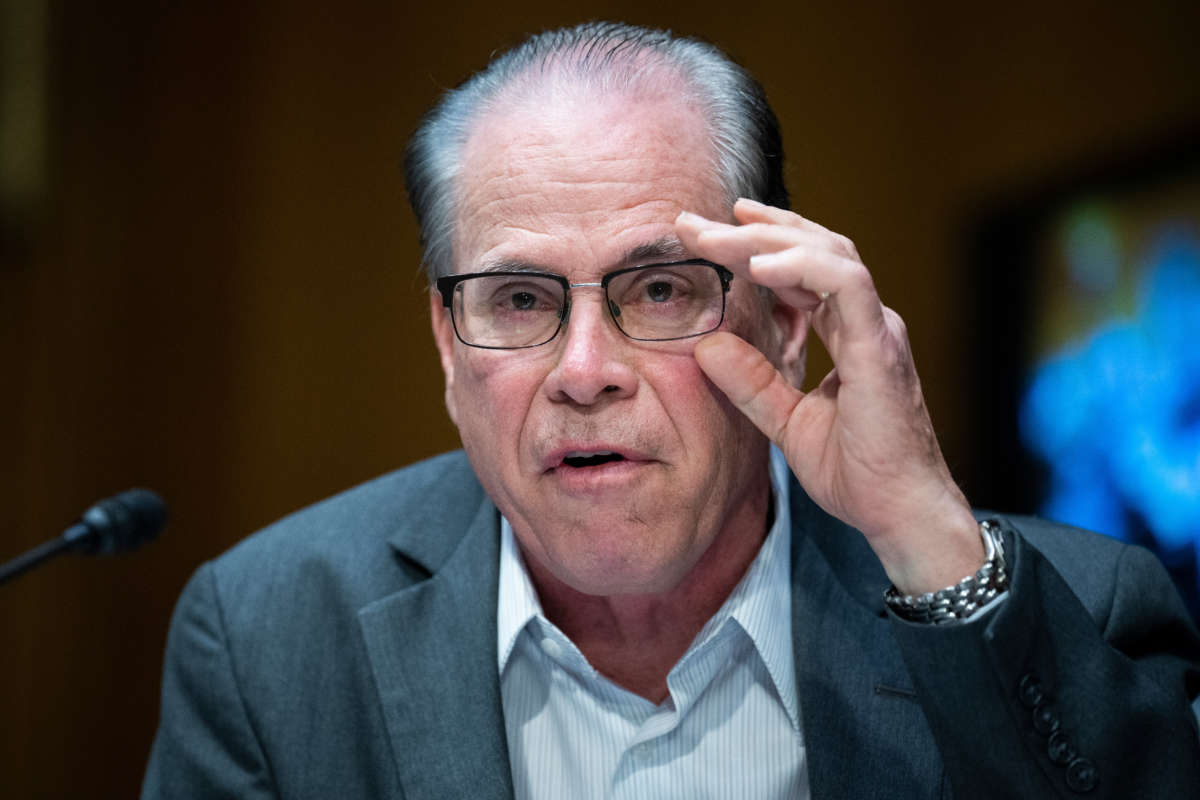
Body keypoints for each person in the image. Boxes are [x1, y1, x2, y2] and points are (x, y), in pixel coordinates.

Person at [142, 22, 1200, 799]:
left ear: (787, 317)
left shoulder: (1089, 609)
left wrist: (923, 535)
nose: (586, 369)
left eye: (659, 290)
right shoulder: (266, 636)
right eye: (519, 298)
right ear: (444, 340)